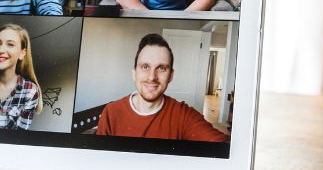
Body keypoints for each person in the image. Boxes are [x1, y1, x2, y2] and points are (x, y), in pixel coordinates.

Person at [97, 33, 228, 142]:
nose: (151, 77)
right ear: (134, 73)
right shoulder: (111, 112)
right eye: (145, 67)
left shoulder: (183, 115)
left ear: (170, 76)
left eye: (161, 68)